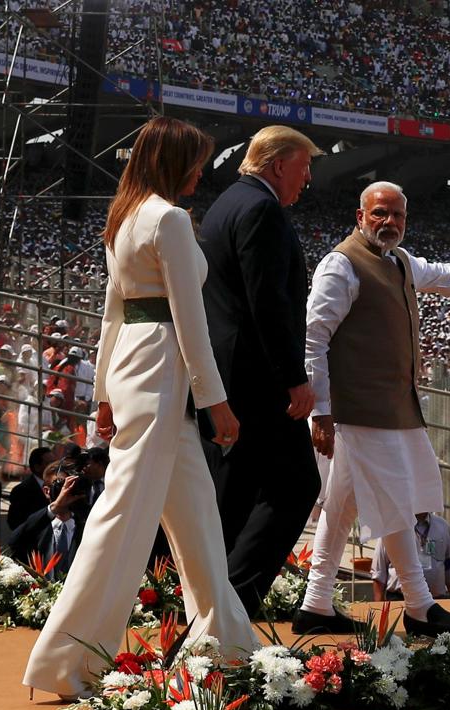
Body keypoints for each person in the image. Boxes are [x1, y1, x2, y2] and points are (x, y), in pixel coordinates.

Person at [24, 117, 256, 700]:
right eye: (197, 160)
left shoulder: (126, 216)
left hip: (136, 369)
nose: (203, 170)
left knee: (198, 513)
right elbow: (190, 320)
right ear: (175, 161)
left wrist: (103, 391)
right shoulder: (170, 219)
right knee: (121, 517)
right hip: (161, 374)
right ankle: (65, 662)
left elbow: (112, 315)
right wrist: (217, 404)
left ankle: (231, 644)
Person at [296, 181, 450, 636]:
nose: (389, 222)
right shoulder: (341, 264)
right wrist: (323, 411)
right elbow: (313, 338)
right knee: (397, 501)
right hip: (361, 412)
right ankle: (418, 604)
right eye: (379, 214)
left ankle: (316, 602)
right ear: (360, 217)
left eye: (397, 215)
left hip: (392, 408)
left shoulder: (401, 261)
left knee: (342, 507)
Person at [198, 125, 323, 616]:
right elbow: (266, 303)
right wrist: (295, 376)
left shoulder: (229, 200)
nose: (307, 179)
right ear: (277, 165)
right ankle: (232, 603)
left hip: (232, 375)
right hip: (257, 379)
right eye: (302, 167)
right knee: (296, 486)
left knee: (236, 495)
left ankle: (211, 606)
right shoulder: (262, 210)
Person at [7, 460, 89, 577]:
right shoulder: (37, 526)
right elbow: (13, 542)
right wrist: (55, 508)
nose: (66, 491)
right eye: (62, 485)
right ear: (46, 491)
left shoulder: (87, 526)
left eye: (71, 485)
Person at [372, 512, 450, 602]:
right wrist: (378, 604)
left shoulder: (442, 526)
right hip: (400, 600)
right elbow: (379, 570)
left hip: (436, 600)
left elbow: (449, 567)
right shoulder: (392, 526)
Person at [7, 446, 54, 532]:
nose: (54, 467)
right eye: (49, 463)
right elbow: (15, 523)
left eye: (54, 462)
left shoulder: (57, 485)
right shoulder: (21, 491)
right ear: (37, 467)